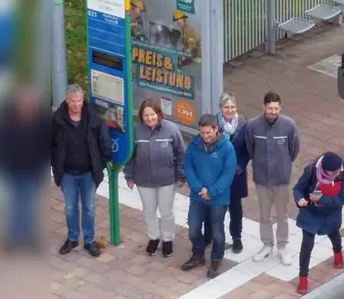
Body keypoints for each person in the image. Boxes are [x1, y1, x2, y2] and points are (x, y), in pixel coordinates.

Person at [50, 85, 112, 257]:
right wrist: (55, 165)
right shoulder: (57, 119)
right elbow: (50, 144)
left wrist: (100, 163)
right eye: (73, 101)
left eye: (79, 101)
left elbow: (104, 143)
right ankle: (72, 238)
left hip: (88, 172)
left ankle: (89, 240)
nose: (76, 105)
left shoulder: (94, 118)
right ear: (67, 101)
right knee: (70, 208)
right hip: (67, 172)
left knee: (89, 207)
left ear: (82, 100)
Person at [124, 100, 185, 258]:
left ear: (159, 114)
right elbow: (130, 156)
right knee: (149, 211)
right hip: (144, 180)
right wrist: (129, 176)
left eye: (152, 114)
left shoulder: (171, 129)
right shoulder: (136, 131)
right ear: (141, 116)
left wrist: (180, 175)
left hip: (167, 179)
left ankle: (167, 239)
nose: (149, 118)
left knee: (166, 211)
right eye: (146, 115)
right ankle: (153, 237)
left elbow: (180, 153)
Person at [0, 86, 49, 253]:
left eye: (30, 104)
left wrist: (42, 164)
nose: (27, 107)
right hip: (13, 170)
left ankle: (28, 236)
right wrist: (2, 166)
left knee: (30, 204)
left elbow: (46, 145)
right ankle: (13, 237)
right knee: (13, 204)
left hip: (33, 170)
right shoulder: (8, 122)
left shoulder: (42, 122)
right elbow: (0, 145)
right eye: (24, 104)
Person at [245, 92, 299, 262]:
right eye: (270, 108)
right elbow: (250, 148)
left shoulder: (289, 125)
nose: (273, 111)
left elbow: (294, 149)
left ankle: (282, 246)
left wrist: (283, 165)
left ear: (280, 108)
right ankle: (267, 244)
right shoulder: (253, 126)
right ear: (264, 107)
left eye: (276, 108)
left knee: (282, 215)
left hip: (281, 179)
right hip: (261, 178)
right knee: (264, 214)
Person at [180, 114, 235, 279]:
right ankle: (198, 256)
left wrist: (211, 192)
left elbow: (228, 174)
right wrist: (199, 188)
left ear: (216, 129)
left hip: (218, 199)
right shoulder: (194, 145)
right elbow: (188, 168)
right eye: (202, 133)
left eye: (208, 133)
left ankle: (216, 259)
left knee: (217, 232)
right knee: (193, 228)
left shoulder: (227, 148)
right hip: (198, 196)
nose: (205, 136)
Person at [292, 151, 344, 295]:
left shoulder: (342, 173)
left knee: (334, 235)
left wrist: (322, 200)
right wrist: (299, 200)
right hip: (310, 212)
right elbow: (298, 188)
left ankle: (338, 254)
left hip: (331, 212)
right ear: (323, 169)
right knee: (307, 244)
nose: (333, 175)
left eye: (336, 172)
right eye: (331, 172)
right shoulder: (311, 170)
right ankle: (303, 278)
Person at [215, 94, 249, 255]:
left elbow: (248, 148)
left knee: (236, 209)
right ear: (220, 108)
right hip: (217, 174)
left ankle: (237, 238)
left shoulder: (243, 123)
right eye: (226, 107)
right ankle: (214, 237)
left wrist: (240, 167)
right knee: (216, 207)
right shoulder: (213, 123)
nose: (229, 110)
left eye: (232, 107)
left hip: (237, 174)